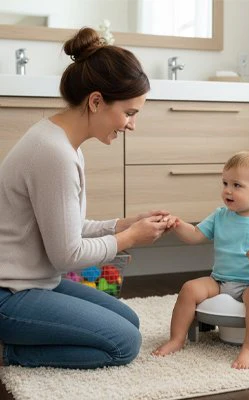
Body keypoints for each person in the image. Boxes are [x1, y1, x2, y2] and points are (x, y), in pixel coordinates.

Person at [0, 27, 172, 369]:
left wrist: (126, 224)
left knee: (128, 321)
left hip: (34, 283)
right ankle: (7, 352)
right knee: (124, 344)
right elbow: (67, 254)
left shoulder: (63, 143)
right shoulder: (54, 153)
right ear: (96, 102)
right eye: (129, 113)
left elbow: (71, 227)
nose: (131, 125)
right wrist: (129, 239)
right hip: (9, 294)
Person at [152, 149, 249, 369]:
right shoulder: (220, 216)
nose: (227, 190)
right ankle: (177, 339)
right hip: (220, 281)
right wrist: (178, 225)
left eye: (237, 185)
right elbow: (195, 235)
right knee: (189, 288)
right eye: (225, 183)